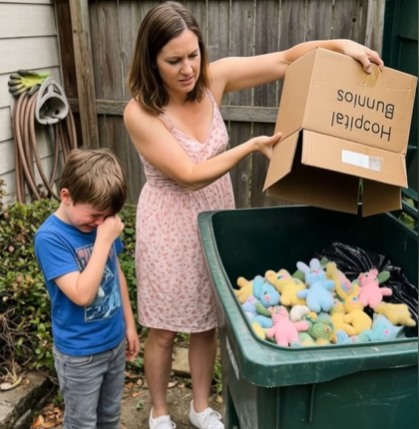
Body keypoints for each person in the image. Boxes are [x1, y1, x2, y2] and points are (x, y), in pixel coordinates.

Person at [123, 2, 384, 428]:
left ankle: (200, 407)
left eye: (193, 55)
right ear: (152, 61)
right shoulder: (140, 112)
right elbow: (189, 175)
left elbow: (285, 60)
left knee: (207, 321)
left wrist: (342, 45)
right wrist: (248, 146)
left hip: (213, 218)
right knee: (164, 329)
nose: (188, 69)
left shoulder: (213, 79)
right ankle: (159, 413)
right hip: (168, 224)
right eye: (174, 61)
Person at [34, 148, 140, 429]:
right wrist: (103, 239)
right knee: (82, 424)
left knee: (110, 418)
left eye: (106, 217)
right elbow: (82, 294)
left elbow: (116, 273)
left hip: (113, 343)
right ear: (66, 196)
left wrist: (129, 324)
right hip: (80, 356)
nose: (99, 223)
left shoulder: (99, 226)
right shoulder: (50, 238)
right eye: (94, 215)